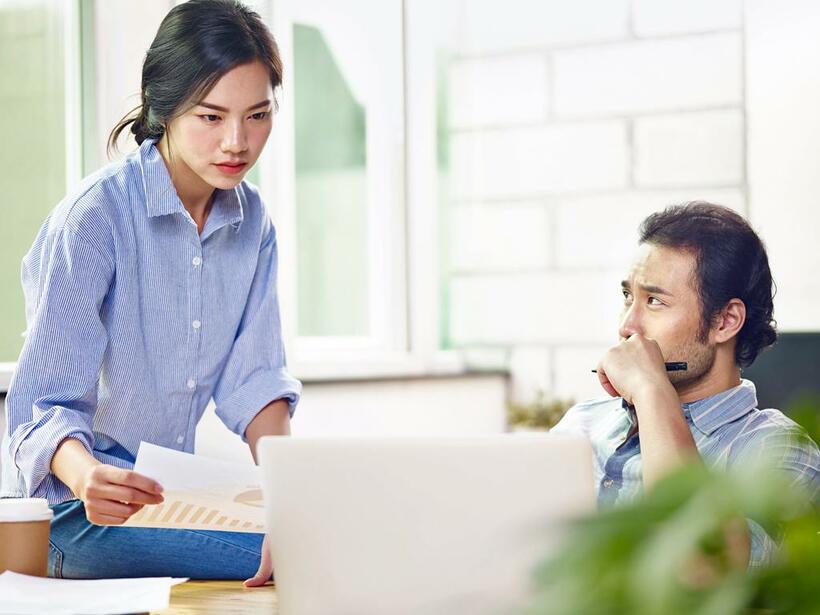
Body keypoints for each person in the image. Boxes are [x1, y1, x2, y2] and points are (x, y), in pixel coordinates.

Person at [0, 0, 298, 585]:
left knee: (320, 529)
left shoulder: (253, 224)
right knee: (312, 551)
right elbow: (41, 409)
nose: (237, 141)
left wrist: (290, 498)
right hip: (68, 514)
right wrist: (87, 476)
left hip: (166, 495)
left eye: (257, 115)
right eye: (211, 117)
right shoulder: (96, 217)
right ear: (164, 108)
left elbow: (256, 380)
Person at [551, 201, 820, 567]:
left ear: (725, 321)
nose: (627, 327)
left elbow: (702, 567)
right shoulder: (581, 425)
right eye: (628, 296)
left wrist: (651, 391)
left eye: (655, 301)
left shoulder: (779, 451)